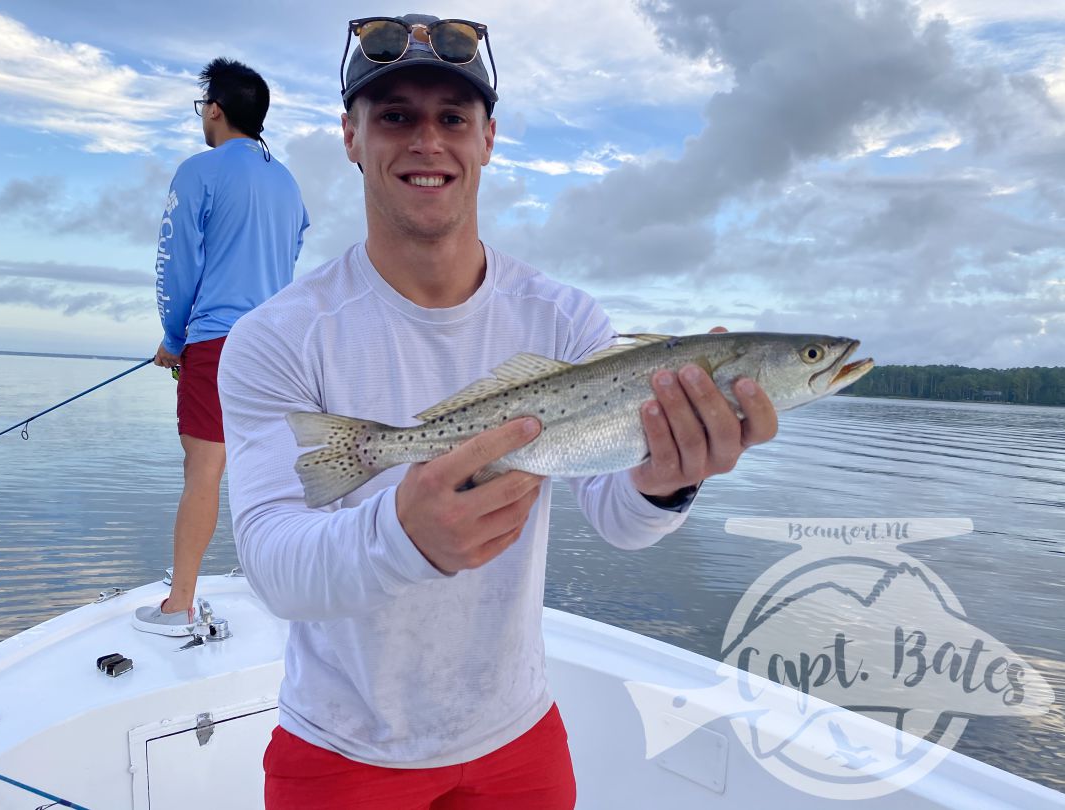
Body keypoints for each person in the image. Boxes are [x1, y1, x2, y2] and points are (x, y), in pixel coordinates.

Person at [218, 14, 777, 809]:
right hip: (341, 746)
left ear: (489, 139)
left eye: (453, 117)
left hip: (518, 734)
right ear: (350, 136)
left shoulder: (566, 320)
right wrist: (401, 535)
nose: (427, 142)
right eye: (396, 116)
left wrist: (667, 482)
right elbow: (273, 566)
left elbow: (619, 519)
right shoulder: (276, 337)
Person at [134, 58, 310, 636]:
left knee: (204, 472)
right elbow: (286, 257)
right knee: (277, 473)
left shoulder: (199, 170)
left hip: (216, 343)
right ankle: (294, 594)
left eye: (201, 105)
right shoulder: (287, 182)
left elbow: (176, 264)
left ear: (215, 108)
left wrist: (173, 338)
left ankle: (179, 604)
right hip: (278, 347)